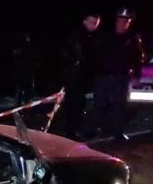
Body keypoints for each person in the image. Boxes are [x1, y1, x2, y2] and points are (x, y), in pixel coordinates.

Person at [88, 8, 143, 139]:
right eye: (120, 20)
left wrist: (136, 75)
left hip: (120, 77)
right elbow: (95, 54)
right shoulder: (105, 36)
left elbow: (138, 58)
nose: (122, 23)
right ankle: (93, 130)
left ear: (129, 22)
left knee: (119, 105)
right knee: (99, 104)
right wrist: (93, 71)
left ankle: (118, 132)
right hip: (103, 76)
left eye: (126, 21)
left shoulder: (132, 38)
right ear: (116, 20)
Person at [55, 10, 102, 138]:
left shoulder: (94, 37)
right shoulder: (76, 36)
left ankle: (74, 129)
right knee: (73, 103)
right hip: (74, 75)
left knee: (80, 103)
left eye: (96, 23)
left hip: (84, 76)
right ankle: (70, 131)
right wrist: (73, 63)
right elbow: (65, 52)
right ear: (84, 21)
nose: (93, 25)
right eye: (91, 22)